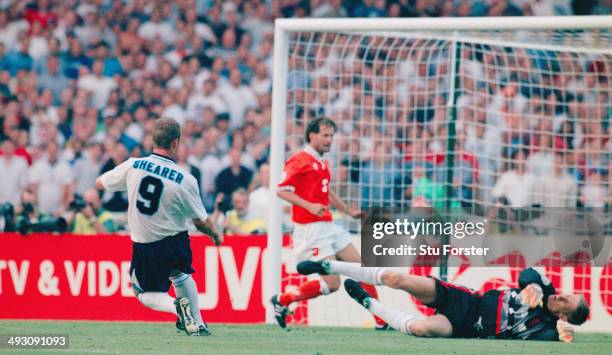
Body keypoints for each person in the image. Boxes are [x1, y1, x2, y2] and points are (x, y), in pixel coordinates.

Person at [95, 117, 223, 336]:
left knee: (141, 292)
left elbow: (100, 183)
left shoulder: (133, 165)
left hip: (146, 245)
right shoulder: (186, 179)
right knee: (181, 275)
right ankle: (199, 324)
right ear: (176, 143)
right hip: (176, 241)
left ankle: (178, 309)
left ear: (153, 140)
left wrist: (129, 183)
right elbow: (199, 221)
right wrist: (215, 234)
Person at [270, 117, 387, 330]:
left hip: (329, 226)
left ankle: (380, 320)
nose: (329, 140)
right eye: (325, 135)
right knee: (333, 284)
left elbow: (327, 191)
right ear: (312, 135)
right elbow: (281, 190)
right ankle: (283, 300)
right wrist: (310, 206)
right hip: (310, 230)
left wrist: (348, 210)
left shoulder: (322, 161)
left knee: (362, 267)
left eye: (331, 136)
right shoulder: (300, 160)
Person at [298, 260, 588, 342]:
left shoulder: (545, 329)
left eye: (567, 302)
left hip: (464, 329)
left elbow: (554, 337)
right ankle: (329, 267)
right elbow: (528, 273)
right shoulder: (545, 286)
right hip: (465, 301)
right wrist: (535, 285)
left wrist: (563, 334)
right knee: (398, 280)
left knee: (421, 329)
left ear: (563, 316)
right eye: (569, 294)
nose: (562, 295)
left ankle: (369, 305)